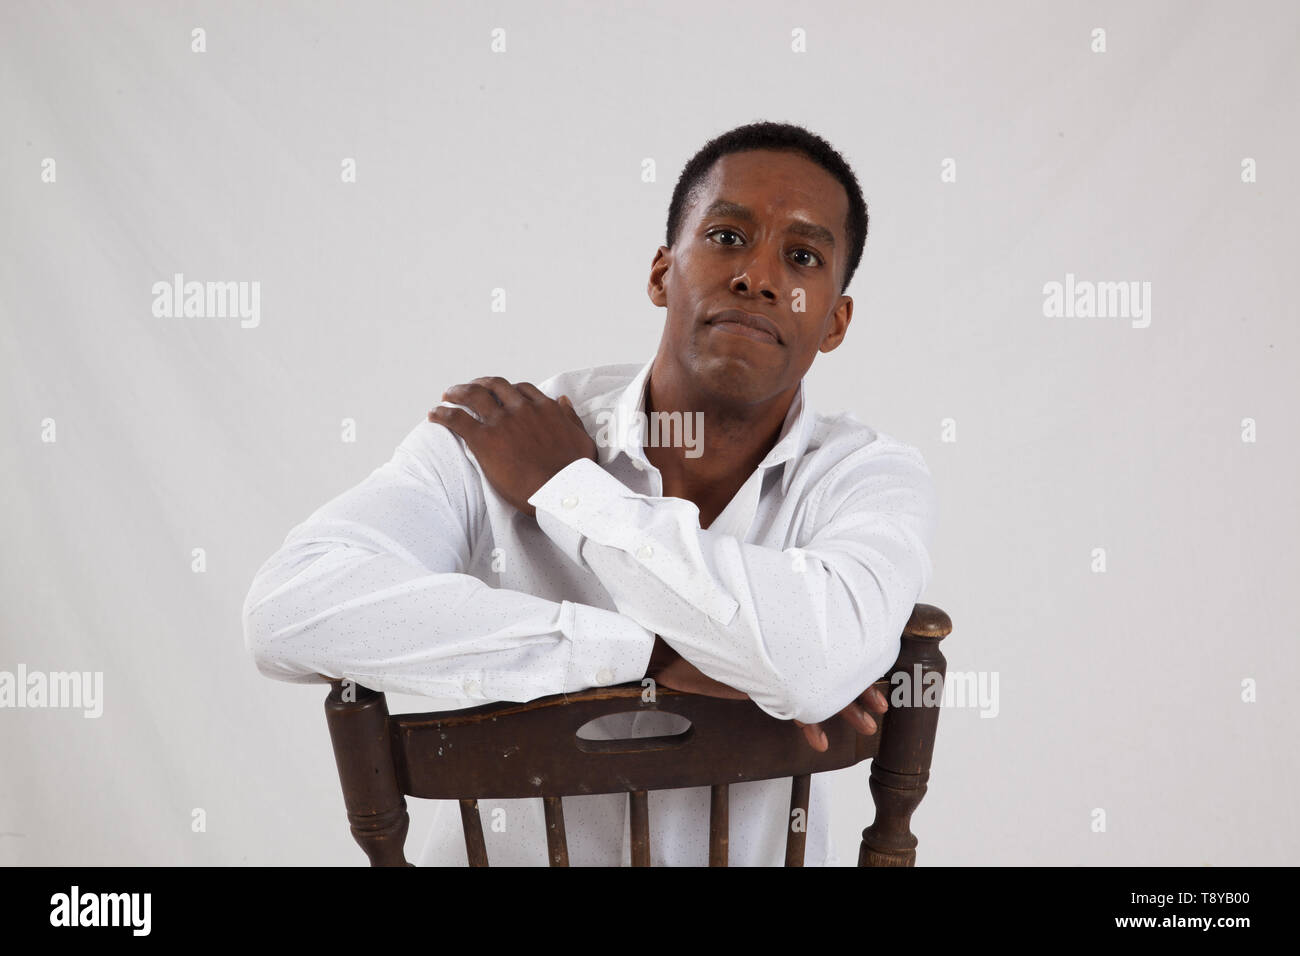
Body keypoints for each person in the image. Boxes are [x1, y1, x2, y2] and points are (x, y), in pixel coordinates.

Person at [241, 120, 937, 866]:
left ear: (834, 321)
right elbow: (290, 608)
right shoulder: (506, 429)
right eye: (728, 237)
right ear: (661, 273)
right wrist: (650, 653)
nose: (758, 276)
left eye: (801, 256)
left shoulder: (865, 474)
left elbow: (812, 662)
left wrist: (567, 491)